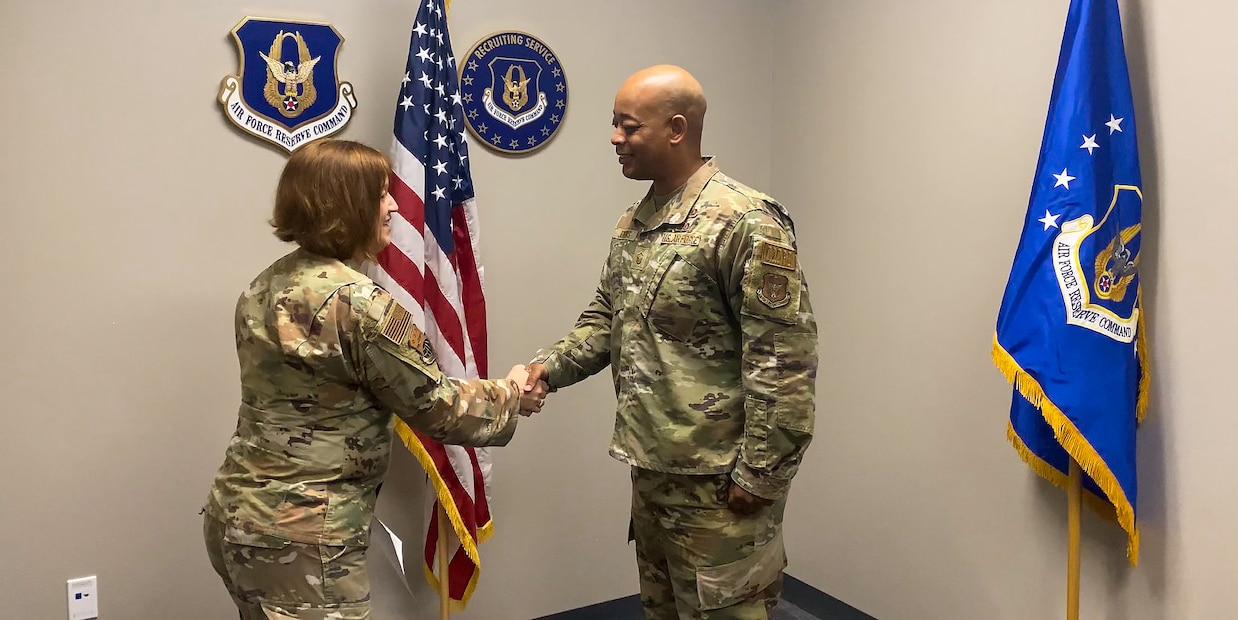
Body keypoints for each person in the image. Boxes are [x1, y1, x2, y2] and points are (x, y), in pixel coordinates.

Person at [203, 138, 546, 620]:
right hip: (304, 535)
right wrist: (511, 393)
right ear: (345, 206)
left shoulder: (264, 285)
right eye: (381, 195)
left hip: (239, 516)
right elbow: (439, 409)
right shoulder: (359, 304)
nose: (392, 206)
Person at [525, 65, 819, 620]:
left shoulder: (745, 222)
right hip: (656, 471)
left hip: (720, 485)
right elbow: (606, 318)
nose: (615, 138)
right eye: (615, 125)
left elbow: (784, 361)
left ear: (677, 129)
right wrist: (546, 369)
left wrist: (761, 474)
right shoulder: (635, 223)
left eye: (628, 126)